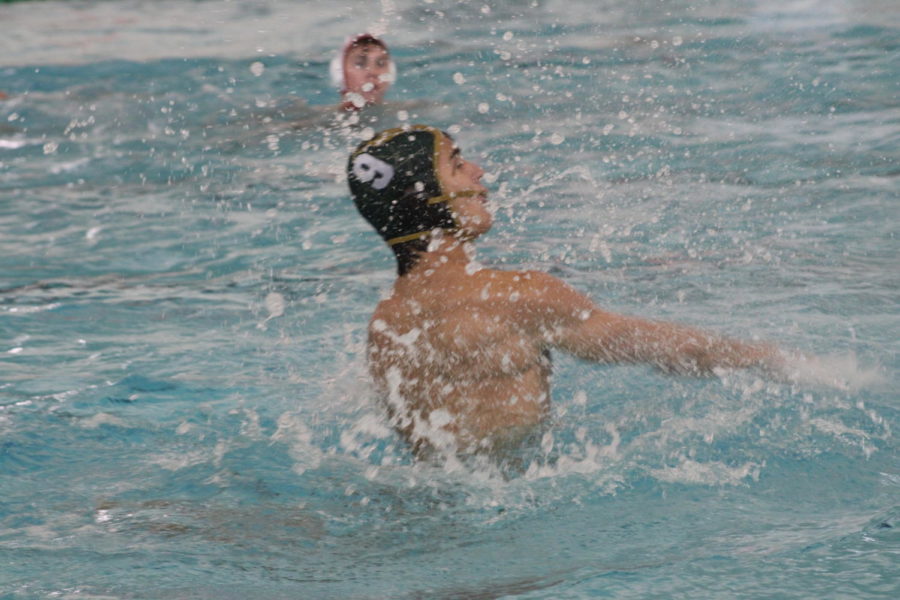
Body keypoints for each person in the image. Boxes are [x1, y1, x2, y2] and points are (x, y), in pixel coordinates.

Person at [347, 124, 791, 459]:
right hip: (509, 517)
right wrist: (766, 359)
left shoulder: (385, 324)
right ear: (424, 193)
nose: (478, 172)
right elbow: (649, 346)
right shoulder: (513, 294)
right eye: (457, 164)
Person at [330, 33, 396, 111]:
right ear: (341, 73)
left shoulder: (406, 111)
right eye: (360, 64)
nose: (373, 72)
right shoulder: (318, 119)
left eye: (381, 63)